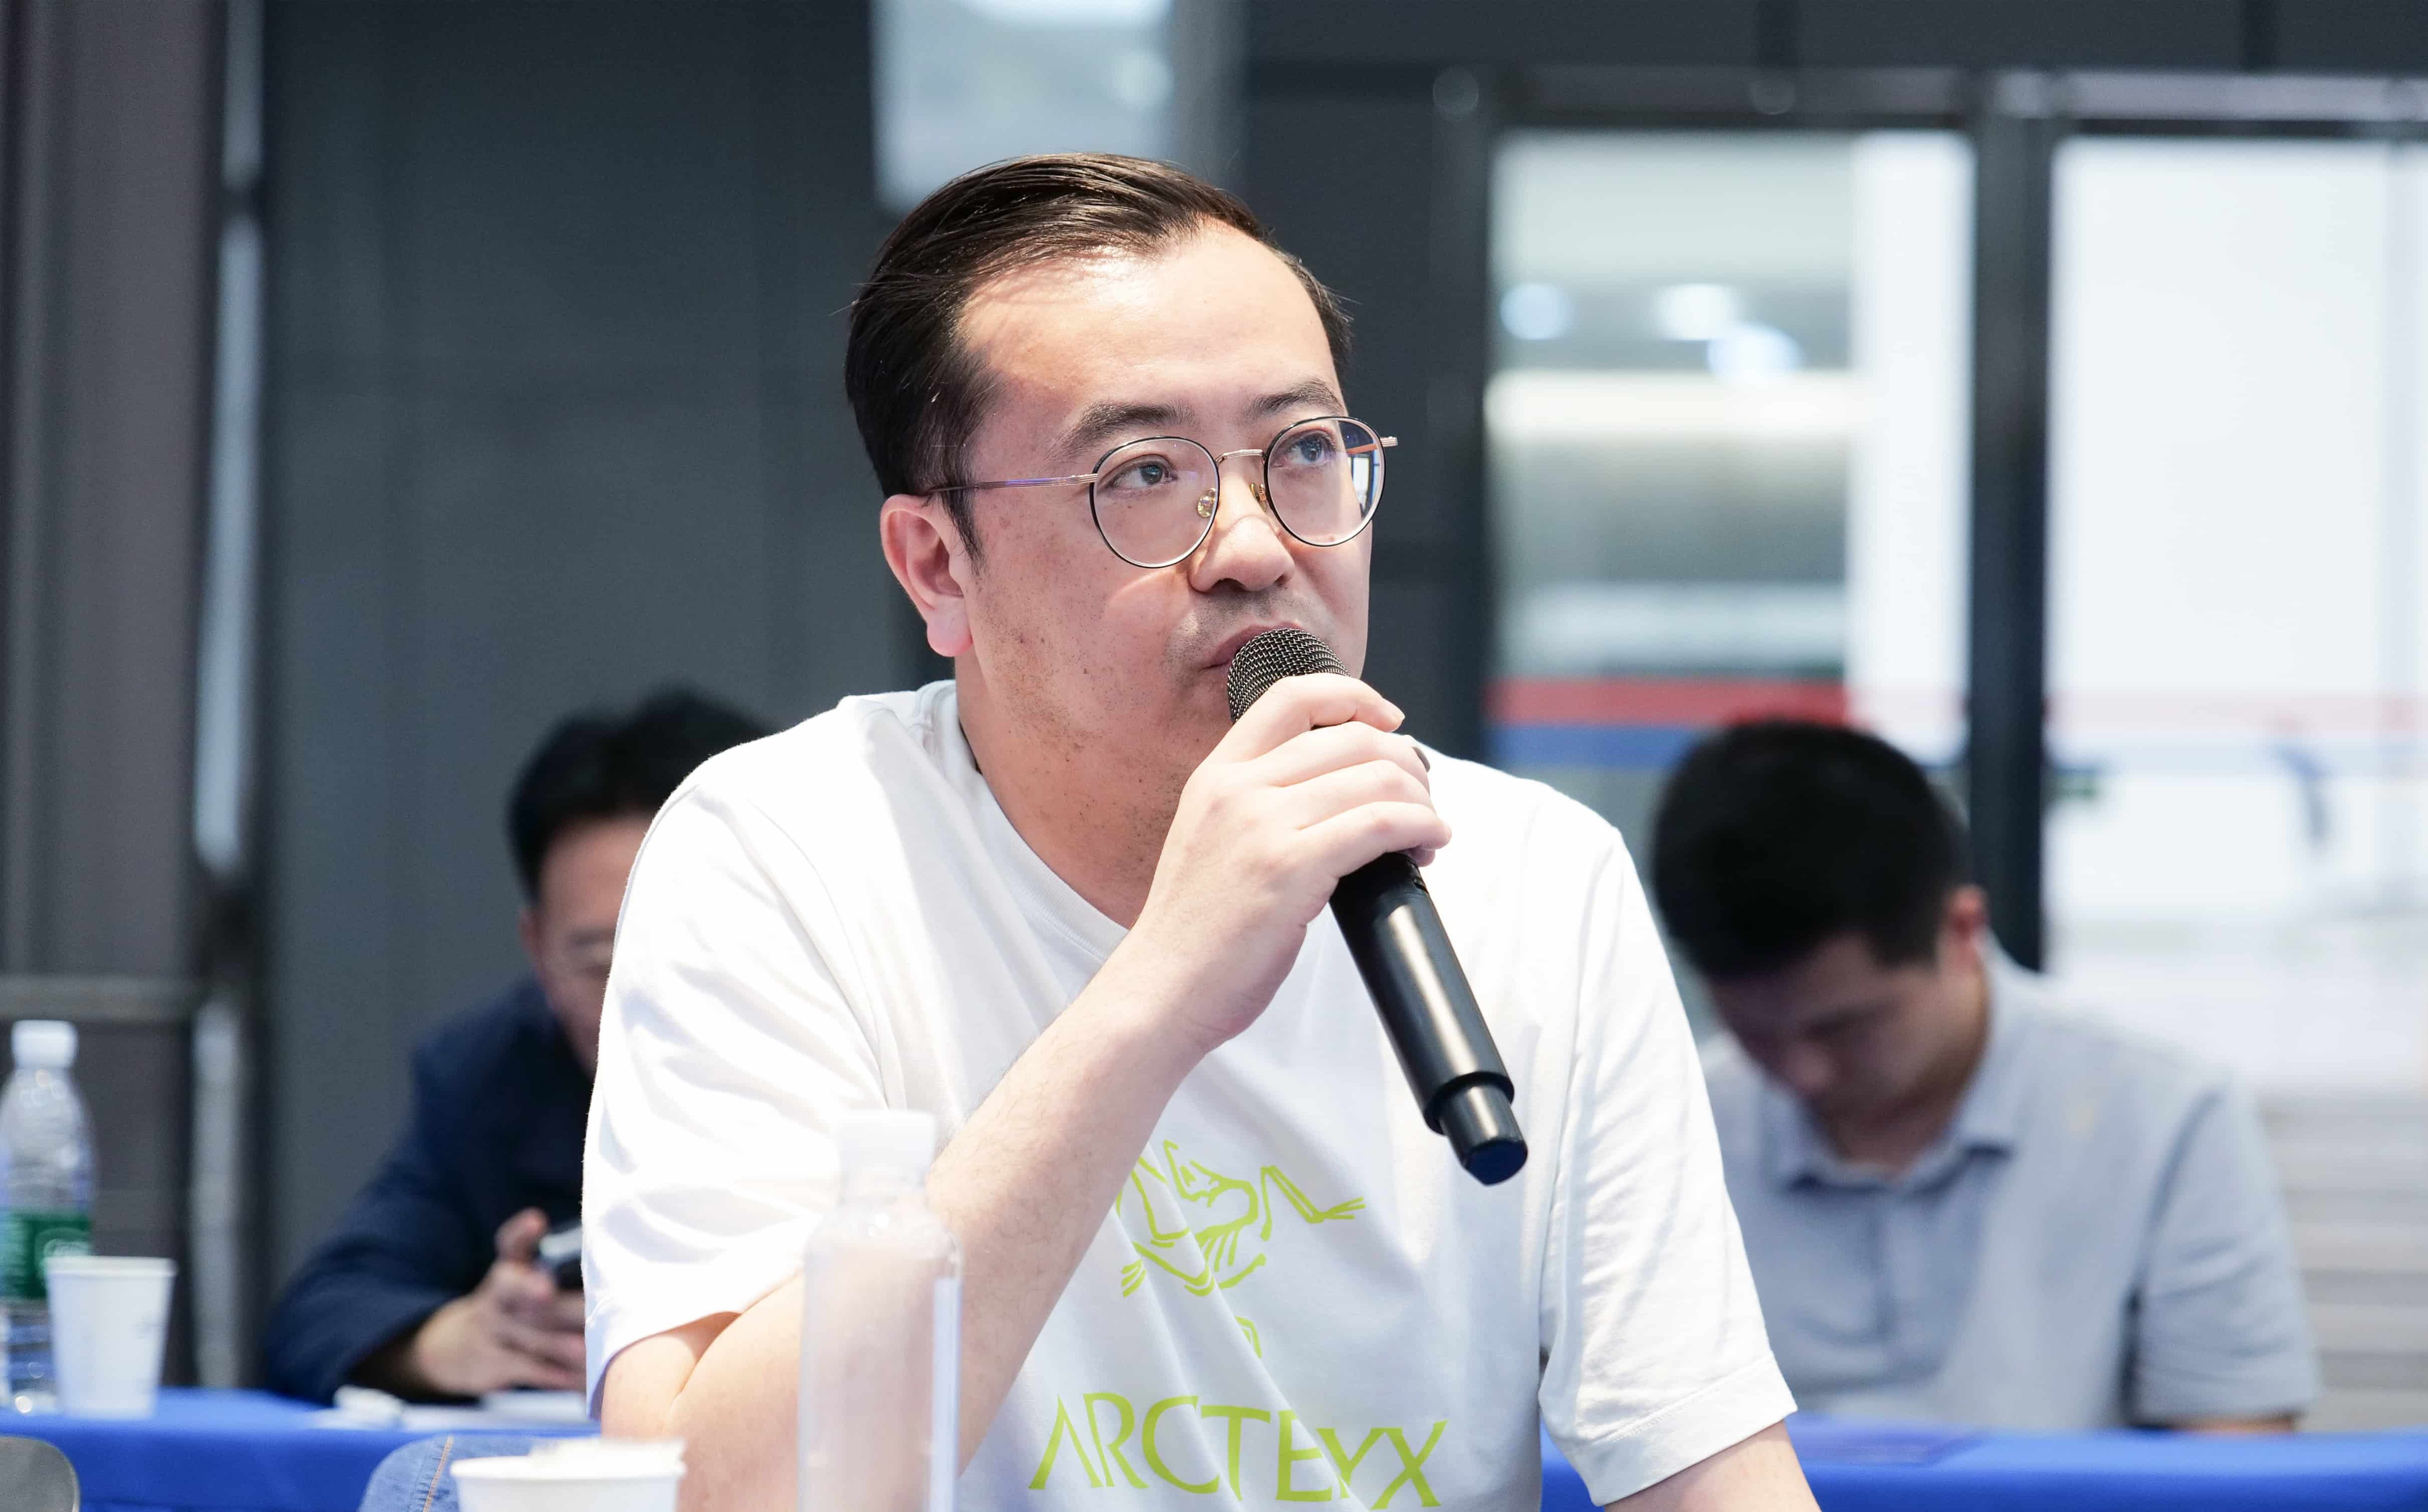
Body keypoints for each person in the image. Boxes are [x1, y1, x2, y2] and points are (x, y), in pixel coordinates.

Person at [586, 154, 1816, 1511]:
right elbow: (703, 1493)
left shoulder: (1536, 875)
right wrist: (1164, 985)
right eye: (1144, 473)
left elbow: (1709, 1474)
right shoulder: (786, 848)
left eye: (1304, 453)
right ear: (937, 565)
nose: (1252, 546)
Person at [1650, 719, 2320, 1433]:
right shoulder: (1673, 1132)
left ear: (1962, 932)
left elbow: (2236, 1453)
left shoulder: (2167, 1117)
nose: (1801, 1074)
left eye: (1845, 1029)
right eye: (1754, 1032)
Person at [263, 688, 767, 1403]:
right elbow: (323, 1308)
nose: (646, 999)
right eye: (600, 962)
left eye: (690, 953)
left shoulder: (881, 1044)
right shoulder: (492, 1076)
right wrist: (453, 1340)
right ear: (539, 952)